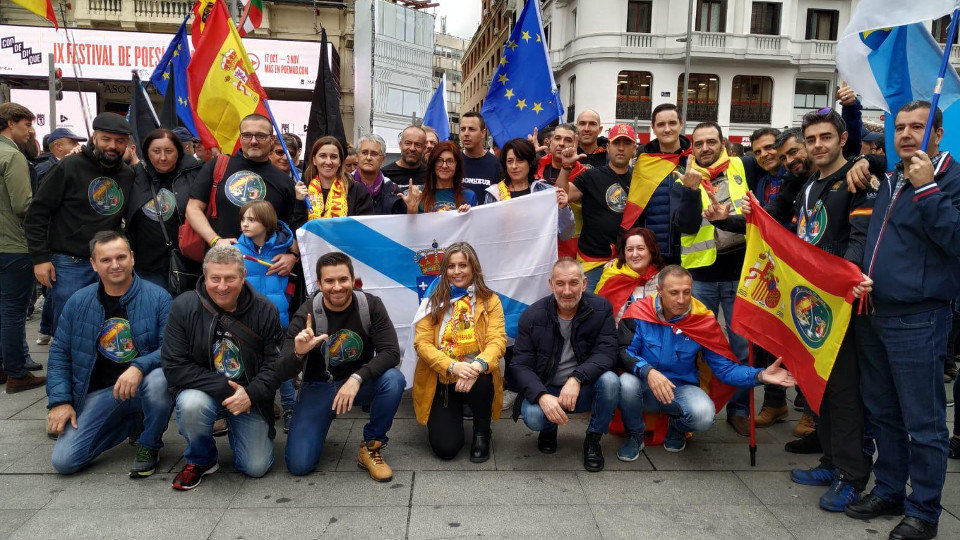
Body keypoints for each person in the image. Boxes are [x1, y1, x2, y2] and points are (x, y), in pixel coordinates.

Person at [733, 108, 879, 513]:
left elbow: (859, 240)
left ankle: (853, 476)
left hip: (839, 303)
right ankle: (831, 462)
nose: (817, 145)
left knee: (845, 394)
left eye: (824, 138)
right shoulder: (808, 185)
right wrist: (752, 218)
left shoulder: (857, 180)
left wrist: (841, 281)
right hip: (809, 304)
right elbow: (791, 233)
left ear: (842, 139)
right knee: (820, 389)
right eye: (811, 139)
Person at [843, 101, 960, 540]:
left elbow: (955, 240)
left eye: (918, 127)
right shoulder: (889, 176)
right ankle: (889, 488)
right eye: (900, 127)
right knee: (883, 412)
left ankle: (924, 512)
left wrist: (928, 189)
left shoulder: (950, 178)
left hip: (919, 317)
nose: (907, 134)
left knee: (924, 422)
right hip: (873, 312)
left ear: (937, 134)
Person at [617, 265, 795, 453]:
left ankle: (677, 427)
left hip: (681, 388)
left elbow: (725, 369)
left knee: (704, 416)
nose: (681, 300)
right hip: (645, 385)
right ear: (659, 291)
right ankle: (635, 435)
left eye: (687, 292)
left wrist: (760, 375)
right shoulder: (639, 313)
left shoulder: (701, 320)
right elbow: (624, 352)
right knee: (626, 383)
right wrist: (648, 372)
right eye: (674, 293)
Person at [47, 231, 173, 477]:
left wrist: (138, 367)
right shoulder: (78, 302)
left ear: (132, 258)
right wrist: (60, 401)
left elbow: (171, 349)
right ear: (93, 264)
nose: (115, 265)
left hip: (144, 385)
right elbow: (59, 354)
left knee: (160, 380)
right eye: (106, 260)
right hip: (100, 392)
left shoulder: (158, 297)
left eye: (121, 257)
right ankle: (132, 424)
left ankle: (149, 444)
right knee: (64, 461)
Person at [672, 120, 769, 436]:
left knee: (743, 347)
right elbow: (685, 227)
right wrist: (688, 191)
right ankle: (693, 406)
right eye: (698, 144)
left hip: (743, 273)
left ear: (723, 143)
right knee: (693, 344)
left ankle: (740, 410)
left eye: (711, 142)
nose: (704, 148)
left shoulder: (746, 167)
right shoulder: (682, 179)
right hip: (700, 276)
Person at [162, 245, 282, 489]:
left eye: (230, 278)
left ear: (243, 276)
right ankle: (201, 459)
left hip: (249, 396)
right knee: (191, 404)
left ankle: (241, 433)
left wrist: (250, 394)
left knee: (256, 467)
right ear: (205, 276)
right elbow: (174, 366)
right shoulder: (183, 306)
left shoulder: (265, 309)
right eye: (215, 278)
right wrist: (227, 389)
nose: (222, 286)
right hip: (204, 389)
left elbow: (274, 365)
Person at [276, 252, 404, 480]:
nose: (337, 287)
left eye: (343, 279)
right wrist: (298, 353)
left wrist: (357, 378)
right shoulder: (307, 313)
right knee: (299, 465)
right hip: (319, 385)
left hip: (358, 384)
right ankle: (318, 421)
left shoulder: (370, 305)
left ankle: (371, 446)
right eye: (329, 281)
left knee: (393, 379)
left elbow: (391, 352)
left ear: (353, 280)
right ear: (319, 283)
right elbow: (281, 371)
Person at [24, 112, 136, 339]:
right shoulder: (70, 166)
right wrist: (40, 258)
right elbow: (38, 212)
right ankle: (62, 374)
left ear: (127, 144)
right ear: (94, 137)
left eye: (120, 141)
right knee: (68, 329)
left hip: (109, 263)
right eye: (106, 139)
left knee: (106, 330)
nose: (112, 146)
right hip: (69, 263)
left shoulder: (127, 175)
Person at [509, 258, 620, 471]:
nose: (567, 291)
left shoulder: (601, 308)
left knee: (610, 381)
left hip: (583, 386)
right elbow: (519, 365)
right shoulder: (532, 315)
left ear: (585, 283)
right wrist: (542, 396)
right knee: (533, 417)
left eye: (573, 283)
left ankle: (593, 439)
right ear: (551, 284)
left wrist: (577, 377)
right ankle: (548, 428)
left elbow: (607, 352)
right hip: (547, 386)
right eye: (560, 283)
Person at [413, 242, 506, 462]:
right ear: (444, 270)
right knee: (446, 449)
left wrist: (476, 366)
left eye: (463, 265)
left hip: (475, 375)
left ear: (473, 267)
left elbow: (497, 341)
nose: (457, 272)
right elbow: (422, 344)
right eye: (451, 266)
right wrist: (452, 366)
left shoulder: (490, 301)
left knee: (484, 377)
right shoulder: (432, 299)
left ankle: (482, 431)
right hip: (442, 378)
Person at [185, 114, 299, 278]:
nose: (253, 141)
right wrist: (215, 240)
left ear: (272, 139)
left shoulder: (284, 182)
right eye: (247, 135)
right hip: (218, 270)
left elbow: (289, 229)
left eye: (260, 135)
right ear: (240, 137)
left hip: (264, 273)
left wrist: (292, 257)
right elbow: (193, 209)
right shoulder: (217, 166)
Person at [557, 123, 639, 290]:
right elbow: (561, 195)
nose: (621, 148)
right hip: (592, 263)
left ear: (634, 149)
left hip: (628, 261)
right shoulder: (591, 176)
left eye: (626, 143)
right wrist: (566, 167)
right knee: (589, 312)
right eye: (616, 143)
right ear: (608, 147)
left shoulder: (641, 181)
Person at [236, 200, 295, 428]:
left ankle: (290, 406)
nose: (245, 224)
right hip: (247, 319)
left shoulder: (285, 250)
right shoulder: (236, 250)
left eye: (252, 219)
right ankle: (261, 403)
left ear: (267, 222)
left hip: (278, 317)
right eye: (243, 219)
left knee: (284, 365)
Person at [0, 103, 46, 392]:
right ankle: (17, 372)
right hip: (14, 245)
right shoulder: (12, 156)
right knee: (13, 312)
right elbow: (24, 206)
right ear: (10, 122)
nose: (30, 131)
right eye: (27, 124)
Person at [124, 128, 203, 292]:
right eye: (156, 151)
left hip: (186, 263)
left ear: (179, 152)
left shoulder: (196, 174)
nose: (162, 157)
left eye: (169, 151)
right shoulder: (133, 175)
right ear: (146, 152)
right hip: (146, 265)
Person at [635, 103, 691, 265]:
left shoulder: (694, 159)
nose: (667, 129)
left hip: (692, 250)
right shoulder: (644, 162)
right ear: (653, 128)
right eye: (661, 124)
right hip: (656, 252)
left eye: (672, 123)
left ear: (681, 124)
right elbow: (636, 209)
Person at [534, 123, 587, 259]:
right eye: (557, 138)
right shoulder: (534, 167)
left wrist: (567, 165)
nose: (561, 143)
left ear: (576, 144)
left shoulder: (584, 174)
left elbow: (559, 198)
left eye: (568, 140)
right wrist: (527, 158)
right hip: (537, 249)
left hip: (568, 251)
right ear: (550, 142)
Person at [594, 227, 664, 323]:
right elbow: (598, 317)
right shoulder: (611, 274)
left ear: (651, 250)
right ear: (624, 253)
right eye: (630, 249)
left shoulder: (664, 279)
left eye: (640, 248)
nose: (635, 254)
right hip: (618, 336)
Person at [296, 136, 374, 219]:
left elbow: (365, 227)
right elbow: (296, 228)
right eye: (323, 156)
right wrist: (299, 202)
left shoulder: (357, 191)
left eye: (333, 157)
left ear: (340, 161)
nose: (328, 162)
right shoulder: (303, 190)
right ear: (314, 160)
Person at [403, 140, 476, 214]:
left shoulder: (469, 195)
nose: (444, 166)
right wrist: (412, 210)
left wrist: (466, 217)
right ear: (433, 164)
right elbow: (410, 225)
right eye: (439, 160)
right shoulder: (418, 194)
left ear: (457, 165)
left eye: (450, 161)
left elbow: (474, 225)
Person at [354, 133, 406, 215]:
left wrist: (411, 210)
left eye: (374, 154)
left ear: (383, 159)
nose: (368, 158)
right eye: (364, 153)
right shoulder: (343, 186)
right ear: (357, 156)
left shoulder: (393, 190)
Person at [459, 112, 502, 204]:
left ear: (483, 133)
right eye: (462, 129)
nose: (466, 133)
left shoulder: (495, 164)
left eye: (471, 129)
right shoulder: (453, 161)